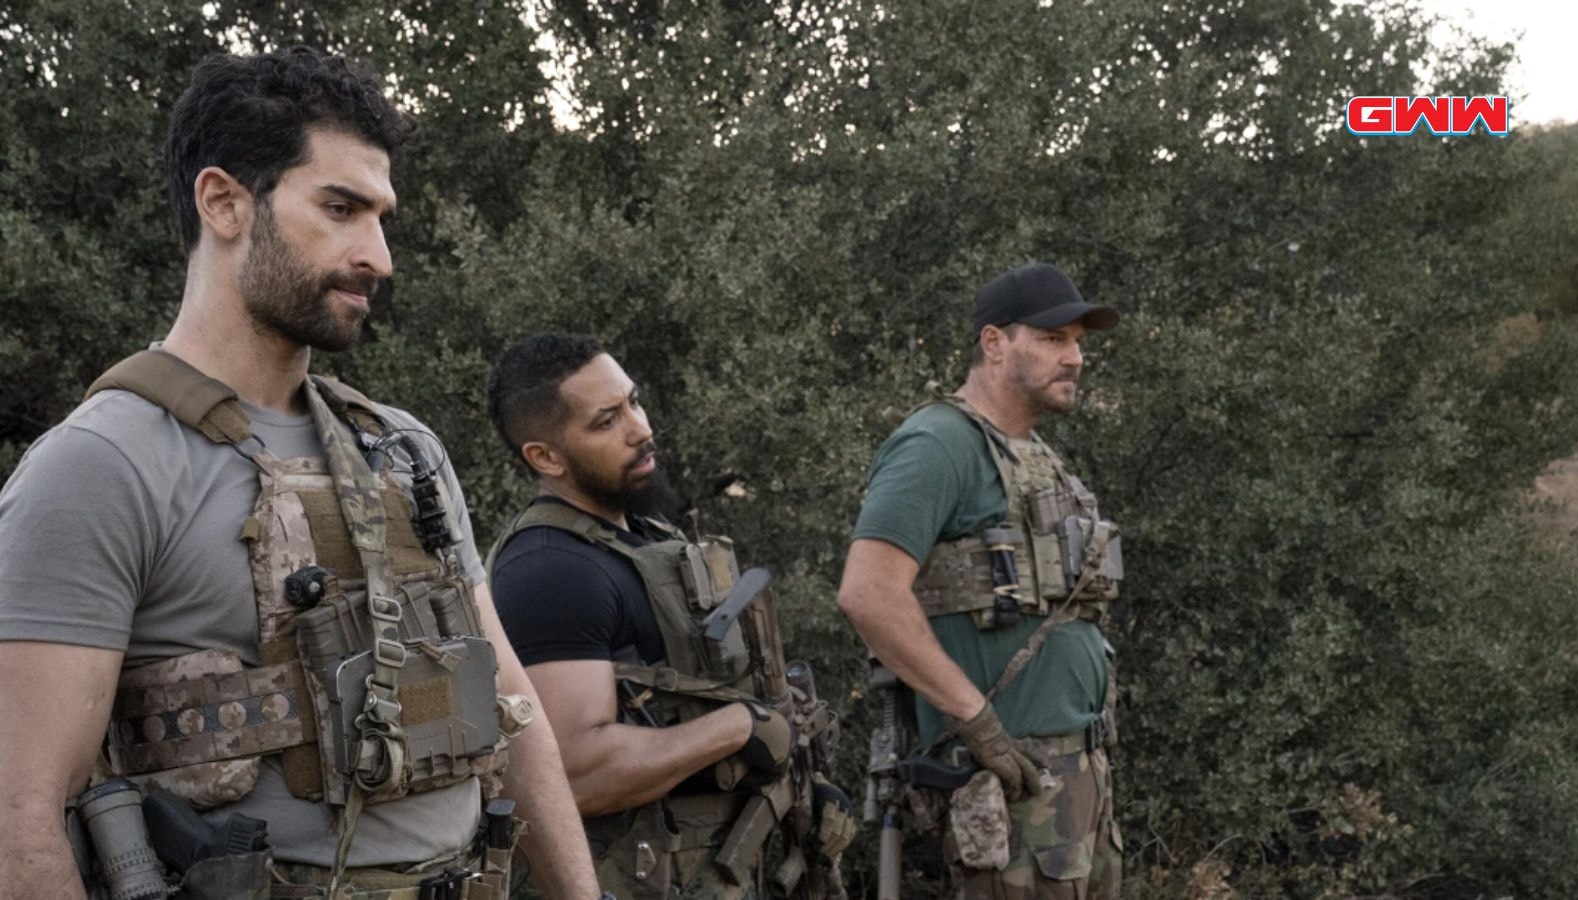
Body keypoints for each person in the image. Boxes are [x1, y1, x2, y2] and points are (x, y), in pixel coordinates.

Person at [0, 48, 599, 900]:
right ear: (225, 203)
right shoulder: (99, 466)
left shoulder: (404, 449)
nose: (379, 256)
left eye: (382, 217)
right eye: (342, 208)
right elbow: (22, 815)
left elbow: (511, 704)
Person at [485, 333, 855, 900]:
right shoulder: (549, 570)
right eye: (607, 421)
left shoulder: (648, 536)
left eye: (634, 401)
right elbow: (575, 772)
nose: (640, 428)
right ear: (546, 457)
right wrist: (737, 728)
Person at [837, 263, 1125, 898]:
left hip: (1076, 780)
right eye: (1053, 340)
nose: (1075, 357)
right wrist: (977, 719)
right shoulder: (937, 444)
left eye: (1078, 342)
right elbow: (868, 592)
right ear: (995, 343)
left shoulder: (1033, 453)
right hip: (1006, 785)